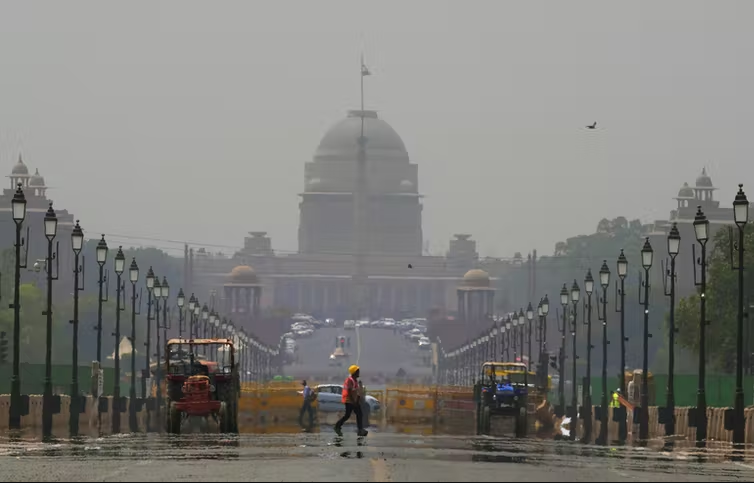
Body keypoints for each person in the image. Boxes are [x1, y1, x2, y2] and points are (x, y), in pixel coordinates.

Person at [334, 365, 368, 436]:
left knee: (359, 414)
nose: (359, 373)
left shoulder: (355, 381)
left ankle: (360, 429)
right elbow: (349, 391)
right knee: (347, 415)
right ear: (354, 372)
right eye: (357, 371)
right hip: (349, 401)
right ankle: (337, 426)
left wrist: (357, 400)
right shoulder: (349, 380)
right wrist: (353, 401)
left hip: (354, 401)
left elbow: (356, 391)